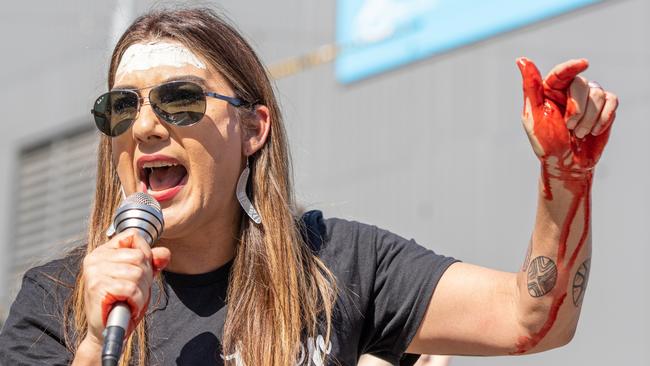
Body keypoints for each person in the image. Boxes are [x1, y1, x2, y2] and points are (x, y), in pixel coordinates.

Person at [0, 7, 618, 366]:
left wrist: (566, 178)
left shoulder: (336, 264)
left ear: (252, 128)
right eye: (121, 107)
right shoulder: (55, 299)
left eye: (180, 100)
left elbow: (532, 318)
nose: (145, 125)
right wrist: (90, 342)